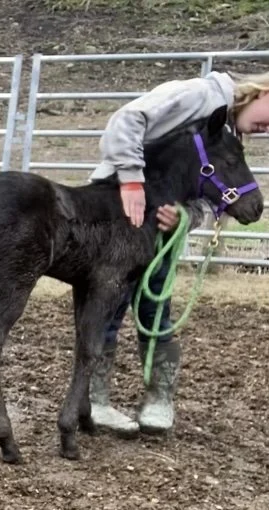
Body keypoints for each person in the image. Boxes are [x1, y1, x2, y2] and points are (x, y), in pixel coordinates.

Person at [88, 69, 269, 437]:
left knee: (156, 307)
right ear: (263, 93)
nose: (267, 129)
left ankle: (159, 399)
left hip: (159, 228)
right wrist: (131, 179)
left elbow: (208, 192)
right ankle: (93, 399)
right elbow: (127, 119)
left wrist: (185, 216)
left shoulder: (227, 132)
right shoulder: (198, 95)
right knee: (108, 304)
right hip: (120, 213)